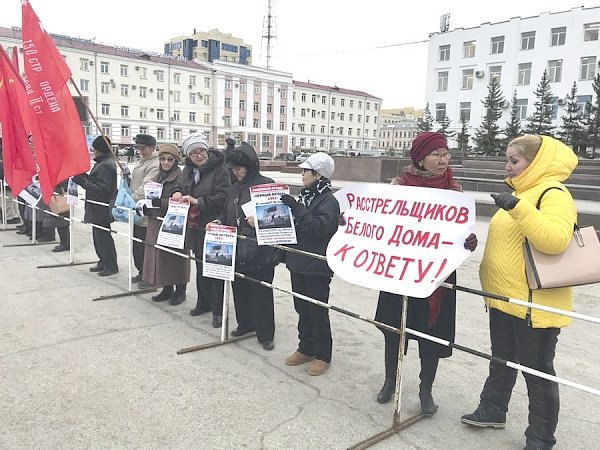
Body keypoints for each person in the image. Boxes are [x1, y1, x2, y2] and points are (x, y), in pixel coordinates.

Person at [461, 135, 578, 450]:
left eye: (515, 160)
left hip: (533, 305)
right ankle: (493, 408)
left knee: (536, 371)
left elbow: (555, 241)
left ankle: (541, 437)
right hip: (503, 299)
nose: (508, 167)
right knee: (501, 359)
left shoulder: (554, 193)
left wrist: (519, 208)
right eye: (507, 160)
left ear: (535, 162)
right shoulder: (521, 192)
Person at [373, 131, 478, 414]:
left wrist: (467, 241)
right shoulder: (398, 187)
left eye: (446, 154)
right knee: (395, 330)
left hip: (437, 277)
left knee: (431, 335)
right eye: (437, 154)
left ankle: (425, 390)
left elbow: (461, 231)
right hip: (401, 272)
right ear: (420, 158)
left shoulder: (454, 191)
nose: (443, 160)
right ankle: (390, 382)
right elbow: (379, 226)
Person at [280, 152, 340, 376]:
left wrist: (296, 208)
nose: (302, 174)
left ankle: (323, 355)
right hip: (298, 261)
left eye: (305, 171)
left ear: (318, 174)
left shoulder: (329, 201)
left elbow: (316, 229)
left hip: (316, 266)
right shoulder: (306, 196)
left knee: (317, 310)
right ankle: (306, 347)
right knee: (302, 308)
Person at [219, 143, 281, 351]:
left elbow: (277, 218)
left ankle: (265, 333)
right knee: (240, 289)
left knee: (261, 293)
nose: (235, 173)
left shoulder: (266, 185)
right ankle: (245, 323)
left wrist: (260, 222)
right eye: (233, 170)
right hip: (237, 247)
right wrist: (219, 223)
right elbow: (227, 213)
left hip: (259, 249)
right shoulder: (235, 187)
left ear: (250, 166)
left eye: (239, 169)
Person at [171, 133, 230, 327]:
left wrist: (198, 201)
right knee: (200, 266)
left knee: (215, 267)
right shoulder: (188, 170)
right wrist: (177, 192)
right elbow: (179, 186)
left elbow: (224, 196)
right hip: (194, 225)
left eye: (202, 151)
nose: (199, 156)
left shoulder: (220, 170)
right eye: (194, 152)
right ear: (188, 156)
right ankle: (203, 303)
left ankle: (218, 311)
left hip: (213, 224)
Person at [141, 143, 190, 305]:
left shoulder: (181, 177)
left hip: (175, 223)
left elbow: (181, 202)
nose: (166, 162)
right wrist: (146, 206)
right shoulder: (158, 176)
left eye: (170, 159)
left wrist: (160, 203)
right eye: (162, 159)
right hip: (157, 221)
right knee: (162, 257)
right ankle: (167, 288)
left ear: (175, 161)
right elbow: (150, 196)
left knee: (176, 258)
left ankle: (180, 290)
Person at [71, 136, 118, 276]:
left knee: (103, 237)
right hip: (95, 206)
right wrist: (84, 176)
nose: (93, 151)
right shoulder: (101, 163)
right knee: (98, 236)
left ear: (100, 150)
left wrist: (82, 181)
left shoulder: (106, 165)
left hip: (102, 206)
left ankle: (111, 265)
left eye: (95, 149)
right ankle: (103, 261)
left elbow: (102, 189)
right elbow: (96, 181)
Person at [124, 134, 159, 287]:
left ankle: (150, 276)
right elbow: (136, 183)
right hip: (136, 210)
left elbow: (146, 187)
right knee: (137, 244)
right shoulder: (141, 162)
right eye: (139, 148)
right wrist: (126, 176)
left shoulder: (155, 164)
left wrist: (131, 198)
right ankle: (141, 272)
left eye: (144, 148)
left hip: (145, 211)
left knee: (146, 246)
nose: (141, 151)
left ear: (152, 148)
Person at [44, 180, 70, 252]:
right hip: (59, 190)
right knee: (61, 221)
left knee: (62, 221)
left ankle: (65, 243)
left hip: (60, 192)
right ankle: (66, 243)